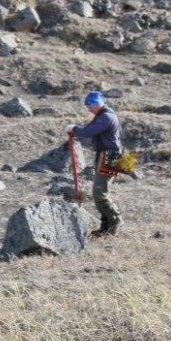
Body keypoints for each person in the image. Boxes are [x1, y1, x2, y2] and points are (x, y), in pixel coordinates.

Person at [65, 90, 123, 237]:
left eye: (89, 105)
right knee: (101, 192)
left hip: (110, 156)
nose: (88, 109)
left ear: (96, 104)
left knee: (99, 193)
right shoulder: (105, 115)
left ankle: (115, 221)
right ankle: (106, 227)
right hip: (111, 155)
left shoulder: (106, 117)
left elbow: (88, 132)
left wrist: (74, 129)